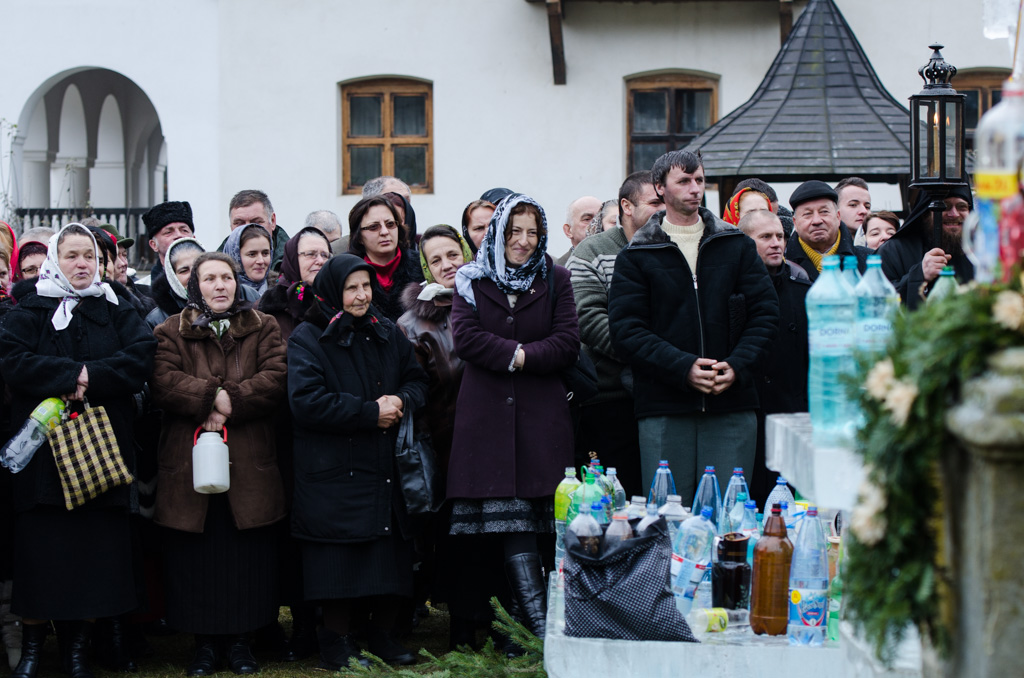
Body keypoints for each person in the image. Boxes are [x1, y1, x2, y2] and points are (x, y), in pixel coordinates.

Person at [0, 223, 156, 678]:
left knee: (92, 562)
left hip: (100, 458)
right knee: (41, 559)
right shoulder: (31, 308)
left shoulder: (115, 307)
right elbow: (13, 360)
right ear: (56, 259)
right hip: (43, 464)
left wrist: (91, 376)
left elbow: (140, 357)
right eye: (71, 255)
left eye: (89, 255)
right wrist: (70, 376)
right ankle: (33, 651)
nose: (82, 263)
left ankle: (76, 654)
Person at [608, 150, 779, 500]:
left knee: (728, 516)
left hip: (732, 403)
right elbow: (627, 330)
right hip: (664, 407)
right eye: (684, 181)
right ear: (660, 187)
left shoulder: (736, 245)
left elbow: (765, 314)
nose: (695, 188)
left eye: (699, 180)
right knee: (669, 516)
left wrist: (737, 365)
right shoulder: (637, 255)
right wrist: (682, 367)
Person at [449, 194, 580, 642]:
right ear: (498, 233)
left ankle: (535, 631)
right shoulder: (471, 279)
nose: (523, 241)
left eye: (532, 233)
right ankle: (523, 631)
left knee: (539, 528)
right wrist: (522, 354)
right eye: (514, 231)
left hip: (541, 420)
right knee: (503, 528)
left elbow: (567, 342)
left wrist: (520, 357)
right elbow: (466, 339)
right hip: (486, 420)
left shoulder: (556, 278)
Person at [288, 255, 428, 670]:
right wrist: (369, 413)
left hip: (383, 467)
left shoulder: (386, 330)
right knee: (339, 563)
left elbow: (417, 380)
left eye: (366, 286)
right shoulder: (308, 337)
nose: (362, 295)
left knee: (386, 557)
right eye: (352, 288)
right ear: (333, 291)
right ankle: (335, 641)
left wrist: (400, 400)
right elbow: (306, 401)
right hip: (333, 471)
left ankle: (382, 635)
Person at [152, 252, 287, 676]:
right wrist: (209, 398)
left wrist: (230, 401)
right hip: (189, 462)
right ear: (195, 286)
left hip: (248, 460)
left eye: (226, 277)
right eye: (209, 278)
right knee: (198, 559)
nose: (220, 285)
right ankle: (205, 646)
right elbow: (163, 379)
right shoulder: (170, 330)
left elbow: (276, 376)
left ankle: (242, 643)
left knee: (245, 557)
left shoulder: (264, 326)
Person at [396, 225, 475, 647]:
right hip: (447, 446)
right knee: (454, 539)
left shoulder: (488, 302)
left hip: (495, 440)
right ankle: (461, 627)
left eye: (453, 255)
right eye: (436, 260)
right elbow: (416, 392)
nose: (447, 265)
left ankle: (497, 623)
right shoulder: (413, 324)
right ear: (426, 268)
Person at [567, 171, 662, 493]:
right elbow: (586, 317)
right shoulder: (592, 251)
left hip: (667, 395)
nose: (663, 209)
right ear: (627, 206)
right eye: (654, 202)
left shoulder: (676, 248)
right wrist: (654, 355)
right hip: (609, 399)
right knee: (614, 497)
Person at [736, 210, 811, 508]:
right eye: (765, 237)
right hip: (748, 412)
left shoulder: (802, 290)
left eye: (780, 236)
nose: (776, 243)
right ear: (744, 242)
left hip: (790, 414)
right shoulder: (730, 289)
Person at [879, 187, 973, 309]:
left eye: (962, 207)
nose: (954, 214)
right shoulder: (892, 251)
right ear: (925, 213)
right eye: (945, 206)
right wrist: (919, 275)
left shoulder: (979, 253)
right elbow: (879, 300)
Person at [347, 195, 423, 322]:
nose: (384, 232)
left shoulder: (422, 266)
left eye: (390, 224)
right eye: (373, 227)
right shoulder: (347, 272)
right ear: (359, 236)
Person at [784, 180, 870, 283]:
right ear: (795, 222)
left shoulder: (869, 261)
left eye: (824, 212)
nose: (817, 221)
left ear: (838, 217)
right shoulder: (781, 265)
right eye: (807, 214)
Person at [258, 227, 332, 341]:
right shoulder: (268, 307)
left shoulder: (338, 300)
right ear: (292, 258)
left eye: (325, 255)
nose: (320, 261)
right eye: (311, 254)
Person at [146, 237, 205, 329]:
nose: (193, 275)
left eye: (198, 268)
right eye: (184, 271)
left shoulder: (224, 306)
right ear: (172, 276)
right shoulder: (156, 320)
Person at [226, 190, 289, 268]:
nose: (248, 230)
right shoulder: (216, 267)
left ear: (272, 221)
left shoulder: (295, 262)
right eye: (239, 223)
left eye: (256, 223)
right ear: (231, 226)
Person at [142, 201, 196, 283]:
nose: (178, 235)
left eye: (184, 230)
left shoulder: (211, 283)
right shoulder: (142, 287)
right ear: (154, 245)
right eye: (168, 232)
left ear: (194, 239)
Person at [224, 223, 273, 299]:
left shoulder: (284, 292)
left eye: (265, 253)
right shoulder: (221, 295)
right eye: (252, 254)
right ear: (235, 257)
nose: (261, 261)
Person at [555, 195, 601, 266]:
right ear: (568, 231)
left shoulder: (617, 262)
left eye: (600, 218)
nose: (596, 224)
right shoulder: (556, 269)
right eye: (587, 219)